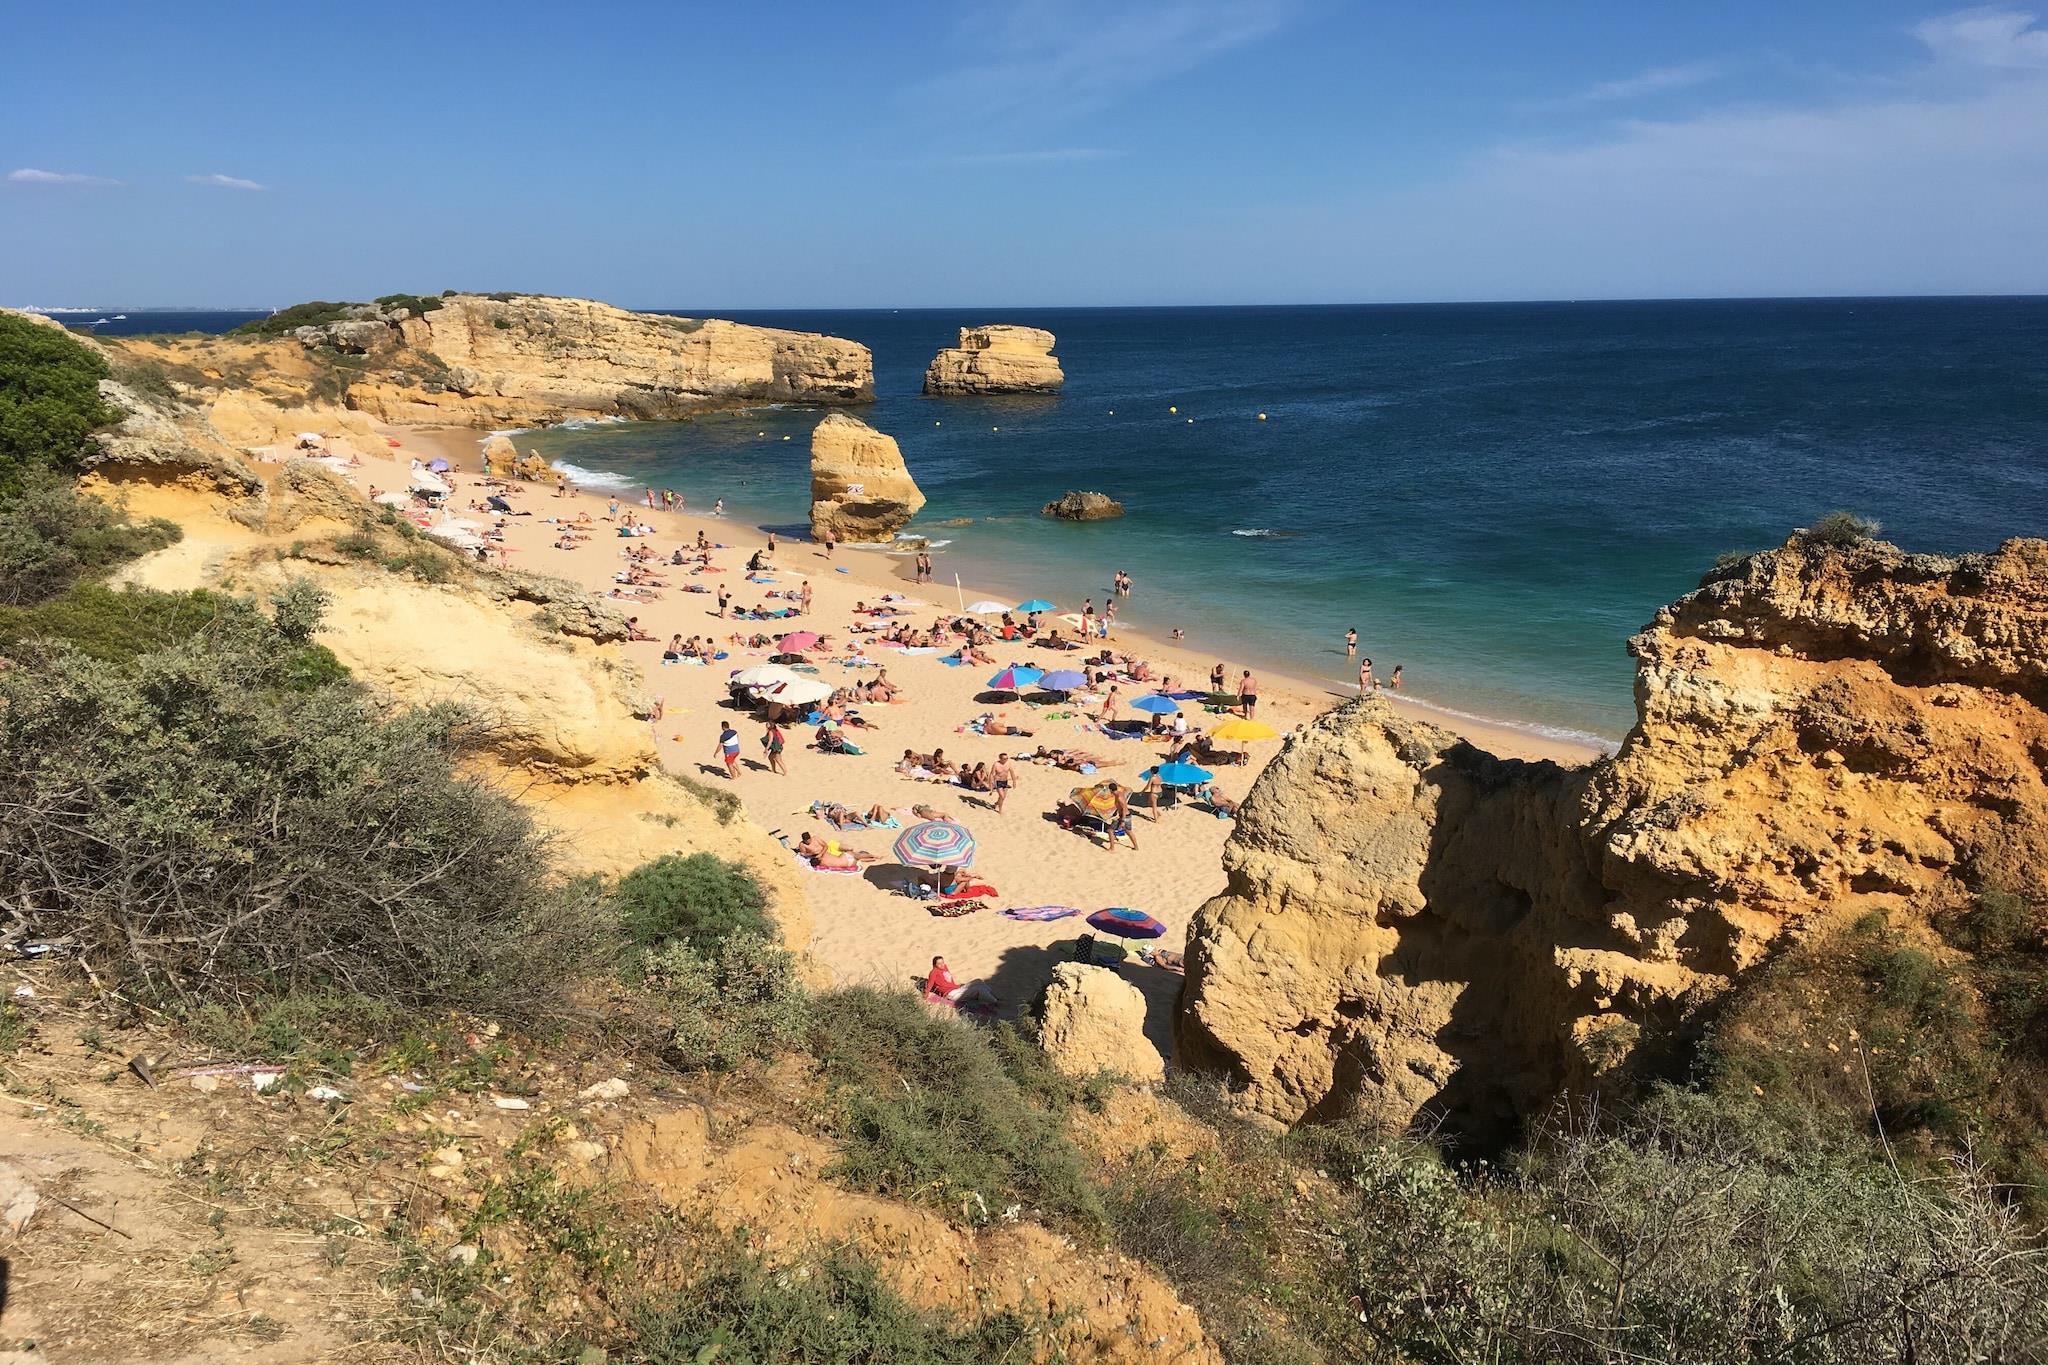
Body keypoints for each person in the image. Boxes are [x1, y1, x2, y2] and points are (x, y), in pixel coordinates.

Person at [925, 955, 998, 1008]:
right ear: (935, 965)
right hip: (951, 994)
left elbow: (950, 979)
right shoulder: (933, 973)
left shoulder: (945, 967)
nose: (942, 965)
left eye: (942, 962)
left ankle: (992, 995)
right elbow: (930, 984)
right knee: (978, 989)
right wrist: (926, 994)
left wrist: (957, 986)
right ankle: (995, 1002)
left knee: (978, 981)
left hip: (957, 989)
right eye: (939, 964)